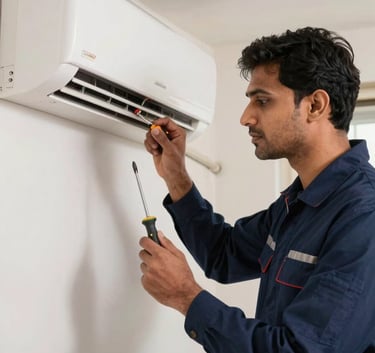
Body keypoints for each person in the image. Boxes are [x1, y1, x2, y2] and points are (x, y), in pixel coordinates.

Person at [139, 27, 375, 353]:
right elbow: (224, 254)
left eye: (262, 100)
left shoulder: (364, 217)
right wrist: (176, 177)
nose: (245, 117)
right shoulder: (299, 203)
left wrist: (186, 296)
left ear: (316, 106)